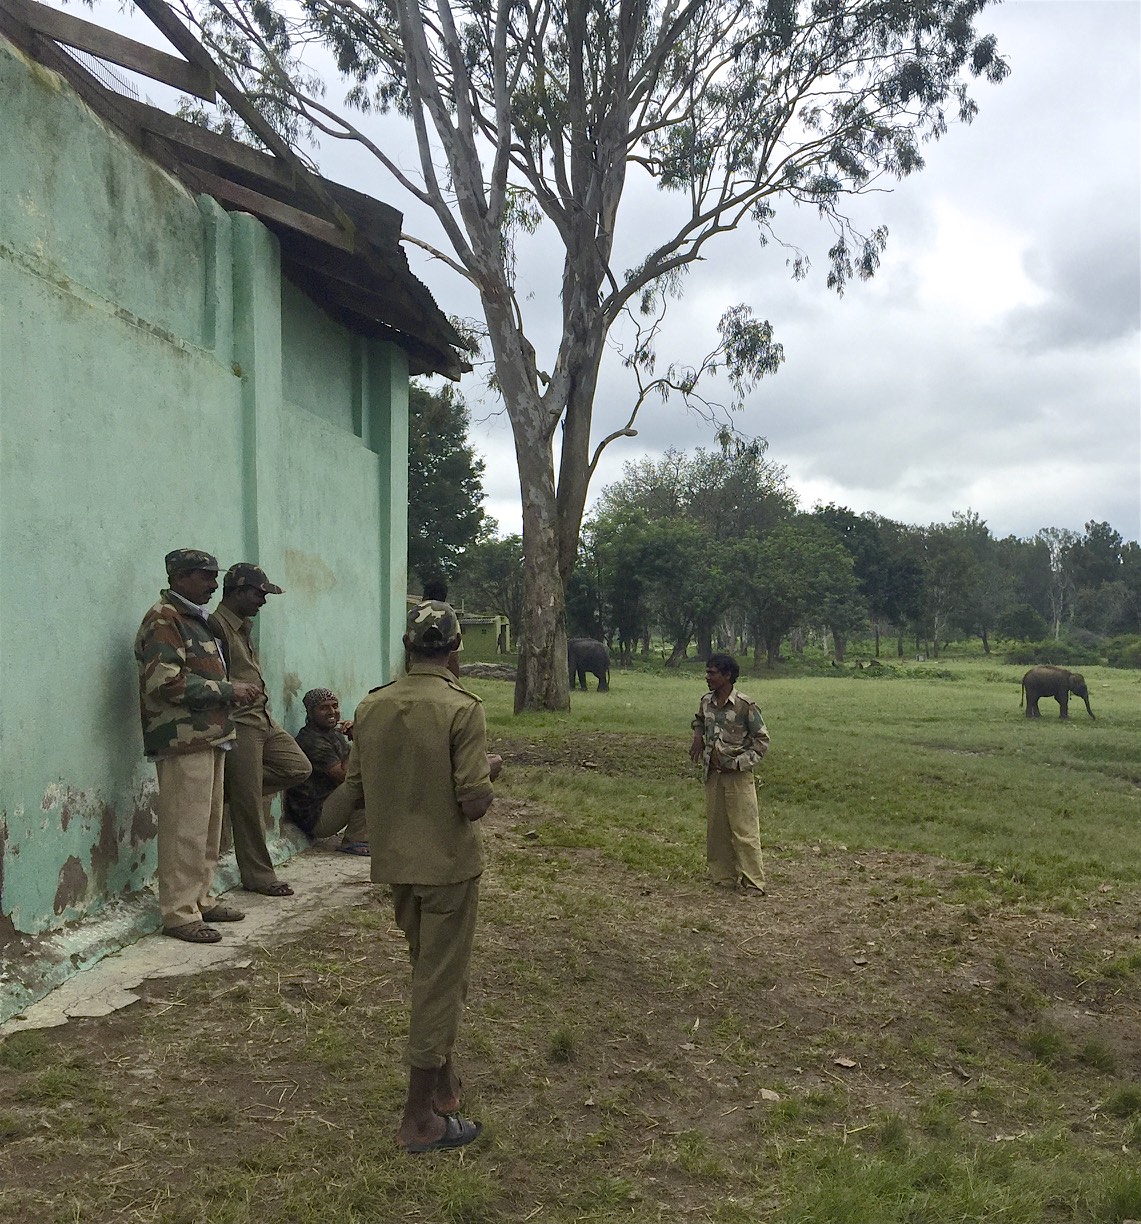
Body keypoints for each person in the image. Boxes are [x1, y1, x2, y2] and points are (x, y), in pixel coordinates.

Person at [342, 600, 502, 1153]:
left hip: (397, 864)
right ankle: (419, 1121)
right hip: (448, 867)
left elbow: (356, 785)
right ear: (455, 649)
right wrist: (488, 772)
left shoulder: (372, 705)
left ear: (408, 647)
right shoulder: (463, 708)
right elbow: (474, 803)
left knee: (428, 970)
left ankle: (445, 1087)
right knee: (440, 983)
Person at [134, 549, 261, 943]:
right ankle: (178, 913)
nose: (213, 585)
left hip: (209, 735)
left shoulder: (195, 619)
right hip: (181, 739)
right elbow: (164, 682)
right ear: (180, 577)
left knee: (207, 827)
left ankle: (200, 899)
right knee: (184, 829)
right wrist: (228, 690)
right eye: (205, 577)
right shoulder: (164, 619)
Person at [210, 563, 312, 897]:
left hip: (262, 718)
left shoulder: (242, 626)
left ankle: (228, 790)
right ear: (238, 591)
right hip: (240, 721)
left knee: (298, 767)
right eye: (258, 594)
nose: (262, 601)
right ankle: (258, 876)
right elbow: (211, 676)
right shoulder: (216, 625)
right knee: (250, 803)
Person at [688, 653, 770, 896]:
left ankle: (753, 882)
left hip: (738, 777)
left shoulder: (745, 706)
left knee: (744, 829)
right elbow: (699, 720)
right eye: (707, 672)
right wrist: (697, 737)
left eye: (712, 673)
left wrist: (738, 764)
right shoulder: (706, 701)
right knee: (717, 829)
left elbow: (762, 741)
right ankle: (723, 876)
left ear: (727, 676)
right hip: (713, 775)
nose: (707, 677)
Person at [283, 688, 369, 855]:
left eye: (335, 706)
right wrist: (359, 739)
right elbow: (345, 776)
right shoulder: (311, 740)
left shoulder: (333, 735)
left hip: (329, 806)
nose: (332, 712)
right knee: (361, 783)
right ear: (310, 712)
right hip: (316, 818)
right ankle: (356, 840)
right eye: (324, 708)